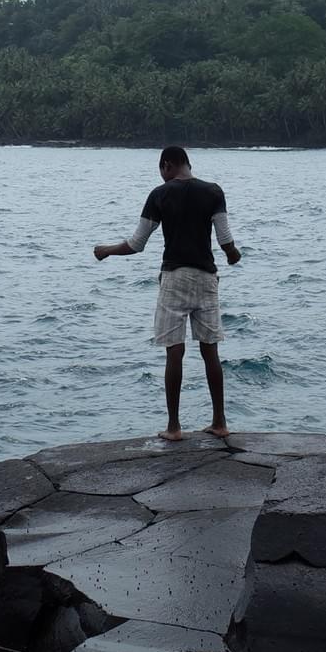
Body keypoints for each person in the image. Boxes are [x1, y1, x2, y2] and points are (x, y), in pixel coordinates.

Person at [92, 146, 243, 442]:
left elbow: (136, 243)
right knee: (210, 349)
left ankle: (174, 427)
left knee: (175, 351)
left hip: (174, 277)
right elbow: (225, 238)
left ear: (167, 165)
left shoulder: (159, 194)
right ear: (188, 163)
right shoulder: (213, 191)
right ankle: (220, 422)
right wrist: (233, 255)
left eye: (162, 170)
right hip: (205, 277)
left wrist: (106, 251)